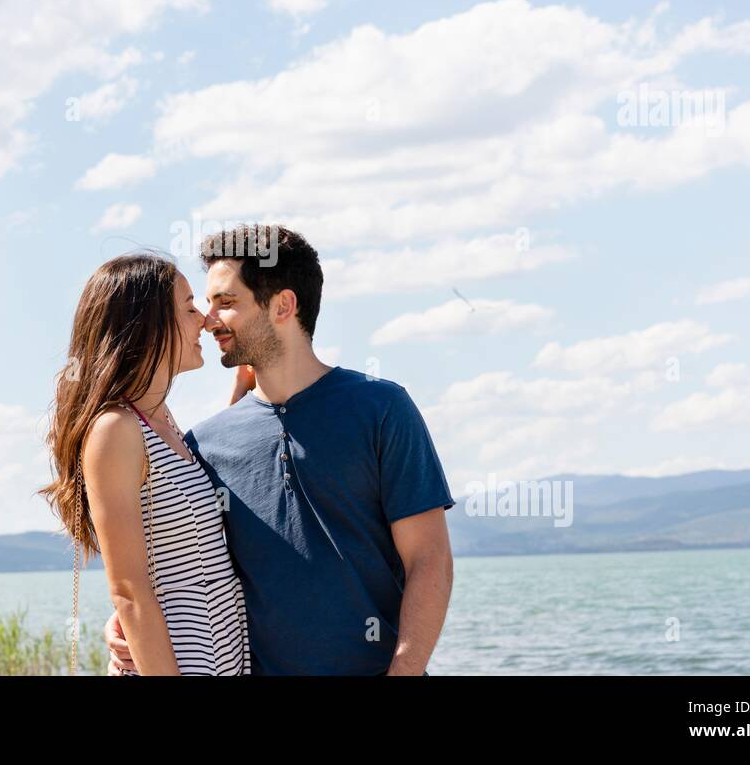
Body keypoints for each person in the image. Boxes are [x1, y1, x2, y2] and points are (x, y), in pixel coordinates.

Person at [105, 225, 455, 675]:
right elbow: (182, 564)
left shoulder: (382, 409)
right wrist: (120, 625)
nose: (208, 319)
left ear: (283, 306)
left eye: (226, 303)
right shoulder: (204, 445)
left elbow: (430, 561)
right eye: (206, 303)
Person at [40, 252, 249, 675]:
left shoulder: (162, 422)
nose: (205, 322)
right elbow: (130, 590)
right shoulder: (115, 429)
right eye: (189, 307)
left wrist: (245, 390)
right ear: (147, 325)